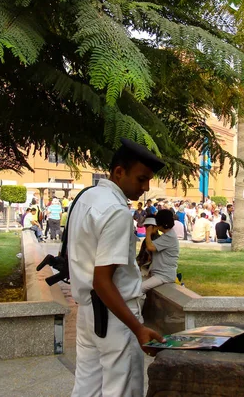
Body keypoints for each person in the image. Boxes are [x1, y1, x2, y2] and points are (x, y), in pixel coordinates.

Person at [68, 137, 165, 397]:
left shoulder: (87, 197)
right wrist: (138, 328)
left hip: (89, 312)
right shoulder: (117, 211)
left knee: (87, 388)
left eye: (148, 181)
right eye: (141, 179)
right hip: (116, 314)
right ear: (119, 172)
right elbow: (103, 280)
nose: (145, 187)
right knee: (121, 390)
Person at [141, 209, 180, 293]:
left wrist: (148, 232)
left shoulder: (169, 237)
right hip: (158, 274)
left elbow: (150, 247)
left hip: (164, 276)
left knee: (139, 288)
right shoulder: (167, 235)